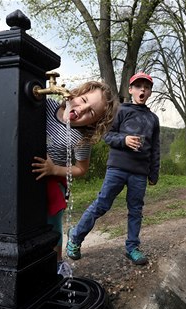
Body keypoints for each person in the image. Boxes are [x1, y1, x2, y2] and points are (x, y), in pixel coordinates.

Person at [66, 72, 161, 266]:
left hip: (140, 172)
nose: (142, 89)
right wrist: (124, 140)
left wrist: (154, 172)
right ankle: (75, 237)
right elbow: (107, 136)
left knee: (136, 210)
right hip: (117, 168)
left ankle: (132, 248)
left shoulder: (153, 119)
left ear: (150, 92)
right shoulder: (120, 111)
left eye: (146, 87)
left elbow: (156, 148)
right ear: (131, 90)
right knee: (102, 204)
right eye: (138, 86)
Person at [31, 81, 118, 269]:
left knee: (53, 226)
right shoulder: (48, 106)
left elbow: (81, 169)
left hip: (54, 182)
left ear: (95, 123)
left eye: (91, 113)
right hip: (29, 176)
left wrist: (54, 169)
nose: (83, 109)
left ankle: (56, 264)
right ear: (75, 94)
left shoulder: (81, 139)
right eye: (84, 100)